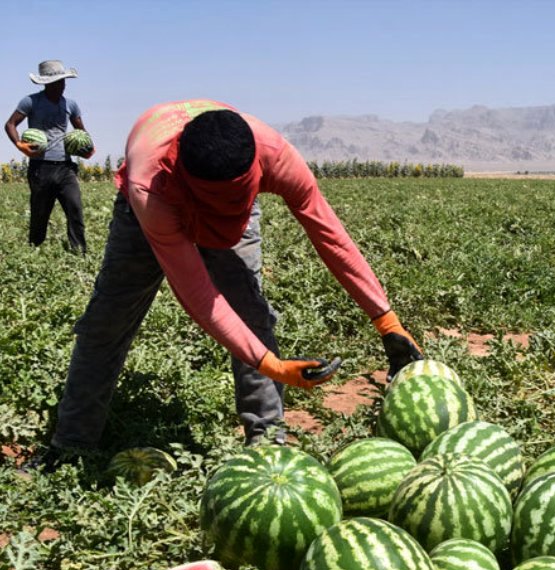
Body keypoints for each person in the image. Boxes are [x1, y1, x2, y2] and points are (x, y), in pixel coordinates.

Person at [31, 100, 423, 469]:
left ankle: (268, 447)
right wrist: (272, 366)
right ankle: (72, 444)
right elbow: (200, 297)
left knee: (250, 313)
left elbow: (330, 236)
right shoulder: (151, 188)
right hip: (156, 204)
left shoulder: (275, 153)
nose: (226, 217)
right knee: (108, 320)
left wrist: (387, 323)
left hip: (201, 183)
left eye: (237, 200)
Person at [5, 60, 94, 253]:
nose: (61, 86)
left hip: (65, 167)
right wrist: (21, 145)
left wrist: (88, 149)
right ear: (46, 83)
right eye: (56, 83)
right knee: (40, 213)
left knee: (75, 208)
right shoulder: (30, 101)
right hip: (40, 168)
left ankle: (80, 252)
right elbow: (10, 124)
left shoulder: (71, 105)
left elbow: (82, 131)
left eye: (63, 82)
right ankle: (34, 250)